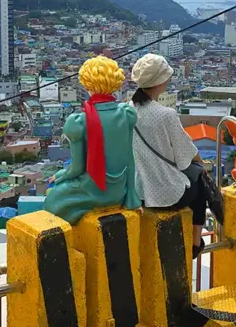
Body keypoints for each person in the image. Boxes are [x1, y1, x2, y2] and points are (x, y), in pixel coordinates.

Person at [44, 56, 140, 225]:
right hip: (119, 191)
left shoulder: (79, 122)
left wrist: (60, 175)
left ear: (87, 84)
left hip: (93, 189)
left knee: (53, 199)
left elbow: (77, 168)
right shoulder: (126, 113)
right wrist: (132, 197)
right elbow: (129, 159)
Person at [129, 53, 209, 258]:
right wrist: (202, 164)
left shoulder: (126, 110)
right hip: (167, 193)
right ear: (161, 81)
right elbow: (186, 152)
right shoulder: (166, 114)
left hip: (139, 191)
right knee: (200, 180)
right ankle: (195, 242)